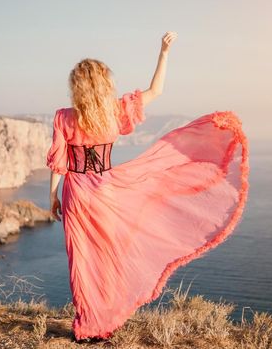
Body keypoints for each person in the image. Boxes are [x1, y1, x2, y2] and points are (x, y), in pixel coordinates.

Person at [46, 31, 249, 342]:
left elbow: (59, 163)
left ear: (77, 87)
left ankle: (87, 324)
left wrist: (53, 197)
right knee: (110, 256)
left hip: (77, 193)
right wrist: (164, 52)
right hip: (107, 191)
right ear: (103, 85)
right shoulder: (112, 113)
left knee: (83, 260)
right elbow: (156, 90)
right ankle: (107, 319)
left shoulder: (63, 117)